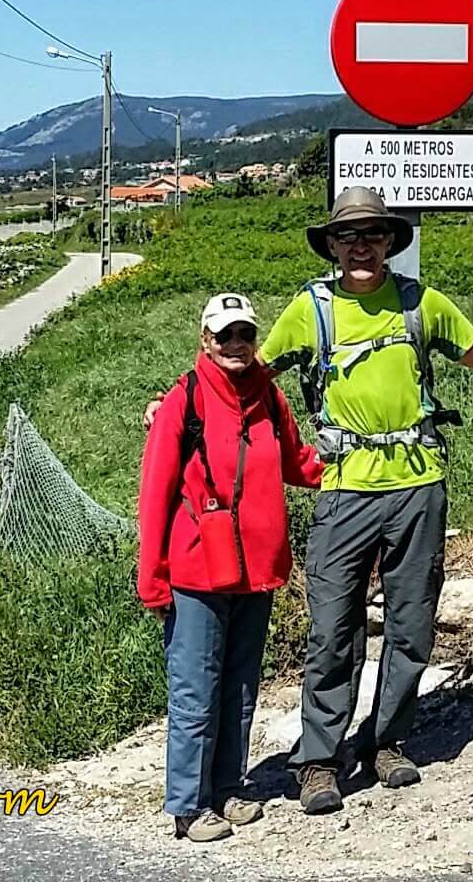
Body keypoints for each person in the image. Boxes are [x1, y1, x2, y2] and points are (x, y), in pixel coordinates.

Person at [148, 187, 473, 816]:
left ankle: (386, 742)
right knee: (333, 630)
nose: (360, 245)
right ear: (331, 246)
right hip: (344, 487)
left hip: (418, 484)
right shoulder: (311, 309)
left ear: (389, 243)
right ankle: (320, 760)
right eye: (348, 236)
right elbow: (241, 374)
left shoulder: (420, 304)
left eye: (373, 235)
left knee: (411, 625)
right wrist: (171, 407)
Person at [136, 292, 324, 843]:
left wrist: (350, 468)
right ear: (205, 341)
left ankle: (228, 789)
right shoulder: (182, 401)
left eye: (244, 334)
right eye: (225, 336)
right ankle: (189, 807)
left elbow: (296, 461)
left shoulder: (268, 396)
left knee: (241, 687)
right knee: (196, 689)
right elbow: (155, 493)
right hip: (196, 570)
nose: (236, 345)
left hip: (256, 570)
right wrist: (153, 577)